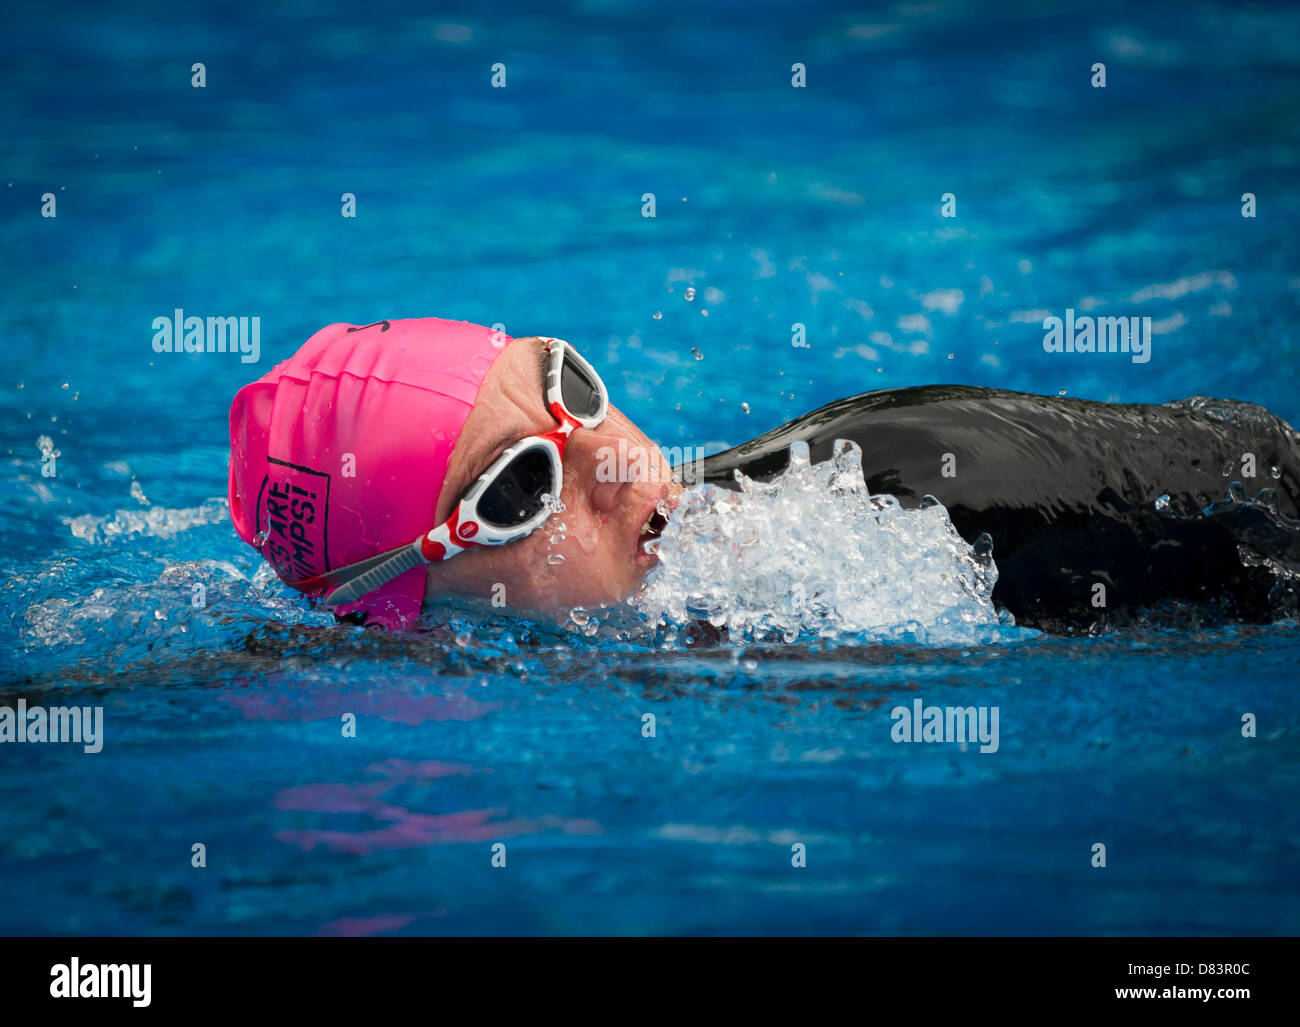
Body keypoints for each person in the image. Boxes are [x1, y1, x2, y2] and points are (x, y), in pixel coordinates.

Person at [227, 318, 1300, 632]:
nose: (615, 461)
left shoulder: (911, 504)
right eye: (517, 487)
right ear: (406, 609)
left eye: (574, 386)